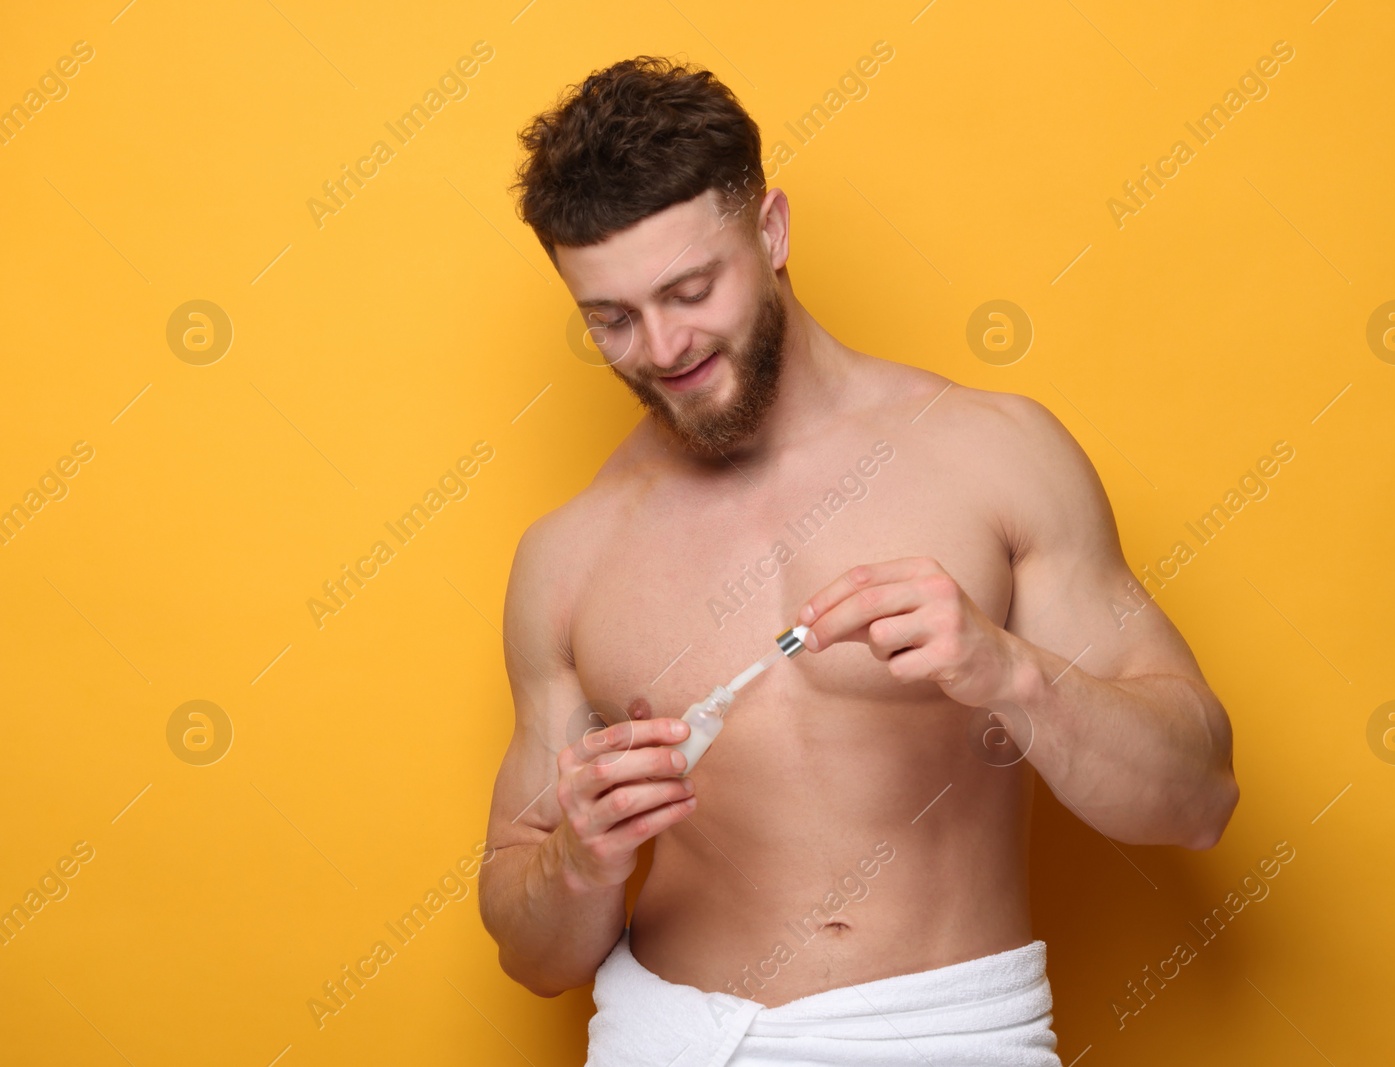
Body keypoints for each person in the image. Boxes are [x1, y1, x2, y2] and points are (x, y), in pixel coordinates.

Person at [477, 55, 1239, 1067]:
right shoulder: (567, 557)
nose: (660, 347)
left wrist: (1009, 669)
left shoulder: (990, 455)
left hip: (947, 1036)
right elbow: (530, 953)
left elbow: (1198, 799)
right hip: (671, 1039)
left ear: (772, 231)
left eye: (689, 289)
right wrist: (577, 861)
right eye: (610, 319)